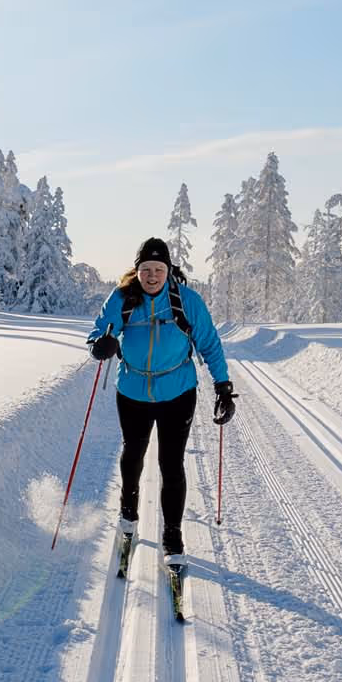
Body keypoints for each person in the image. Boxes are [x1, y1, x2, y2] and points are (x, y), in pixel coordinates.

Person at [85, 236, 235, 560]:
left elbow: (209, 343)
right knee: (133, 454)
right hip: (133, 392)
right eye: (146, 269)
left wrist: (223, 387)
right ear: (137, 270)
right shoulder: (123, 298)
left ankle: (173, 534)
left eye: (158, 269)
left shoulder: (187, 301)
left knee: (171, 463)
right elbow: (98, 332)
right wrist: (101, 345)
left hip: (177, 393)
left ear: (168, 271)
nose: (152, 275)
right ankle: (128, 515)